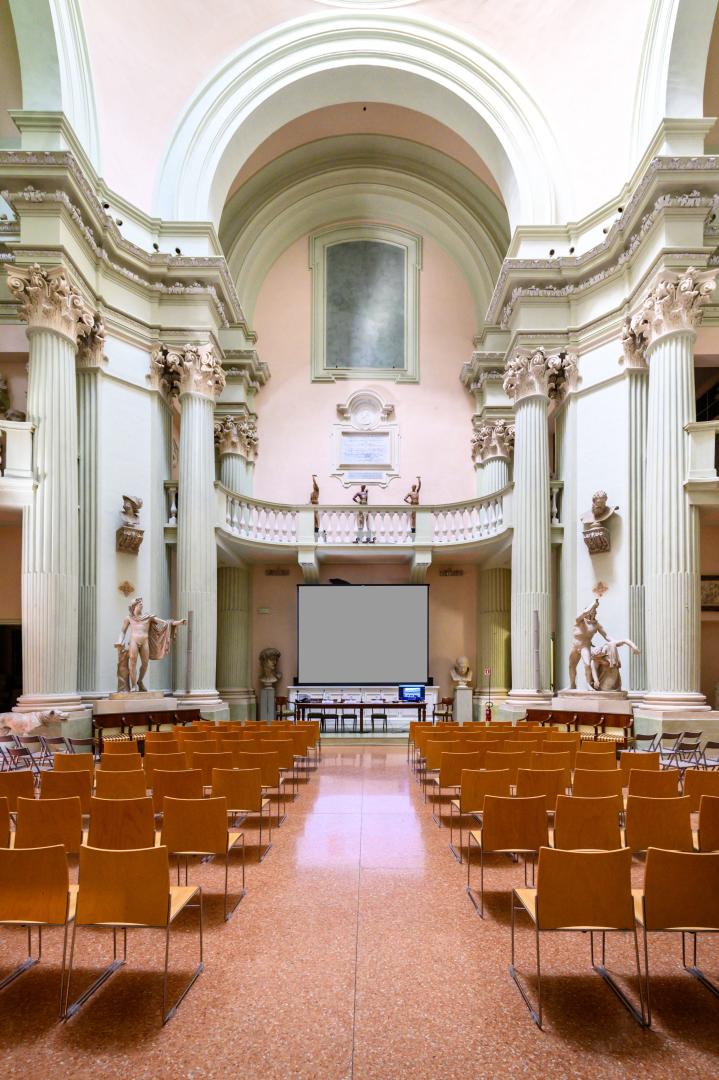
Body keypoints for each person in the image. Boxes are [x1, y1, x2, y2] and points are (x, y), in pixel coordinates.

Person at [115, 597, 185, 692]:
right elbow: (123, 631)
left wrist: (178, 623)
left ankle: (139, 681)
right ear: (134, 606)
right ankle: (134, 686)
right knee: (132, 662)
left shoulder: (148, 617)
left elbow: (165, 623)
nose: (142, 605)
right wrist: (120, 641)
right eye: (140, 604)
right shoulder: (128, 618)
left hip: (145, 641)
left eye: (142, 604)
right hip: (133, 641)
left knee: (145, 663)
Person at [567, 599, 609, 691]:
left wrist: (614, 642)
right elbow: (584, 612)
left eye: (595, 612)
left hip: (584, 646)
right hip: (575, 646)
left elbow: (606, 636)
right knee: (571, 665)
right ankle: (572, 684)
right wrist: (594, 604)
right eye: (592, 612)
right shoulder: (579, 620)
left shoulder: (596, 625)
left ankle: (589, 684)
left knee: (587, 664)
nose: (594, 613)